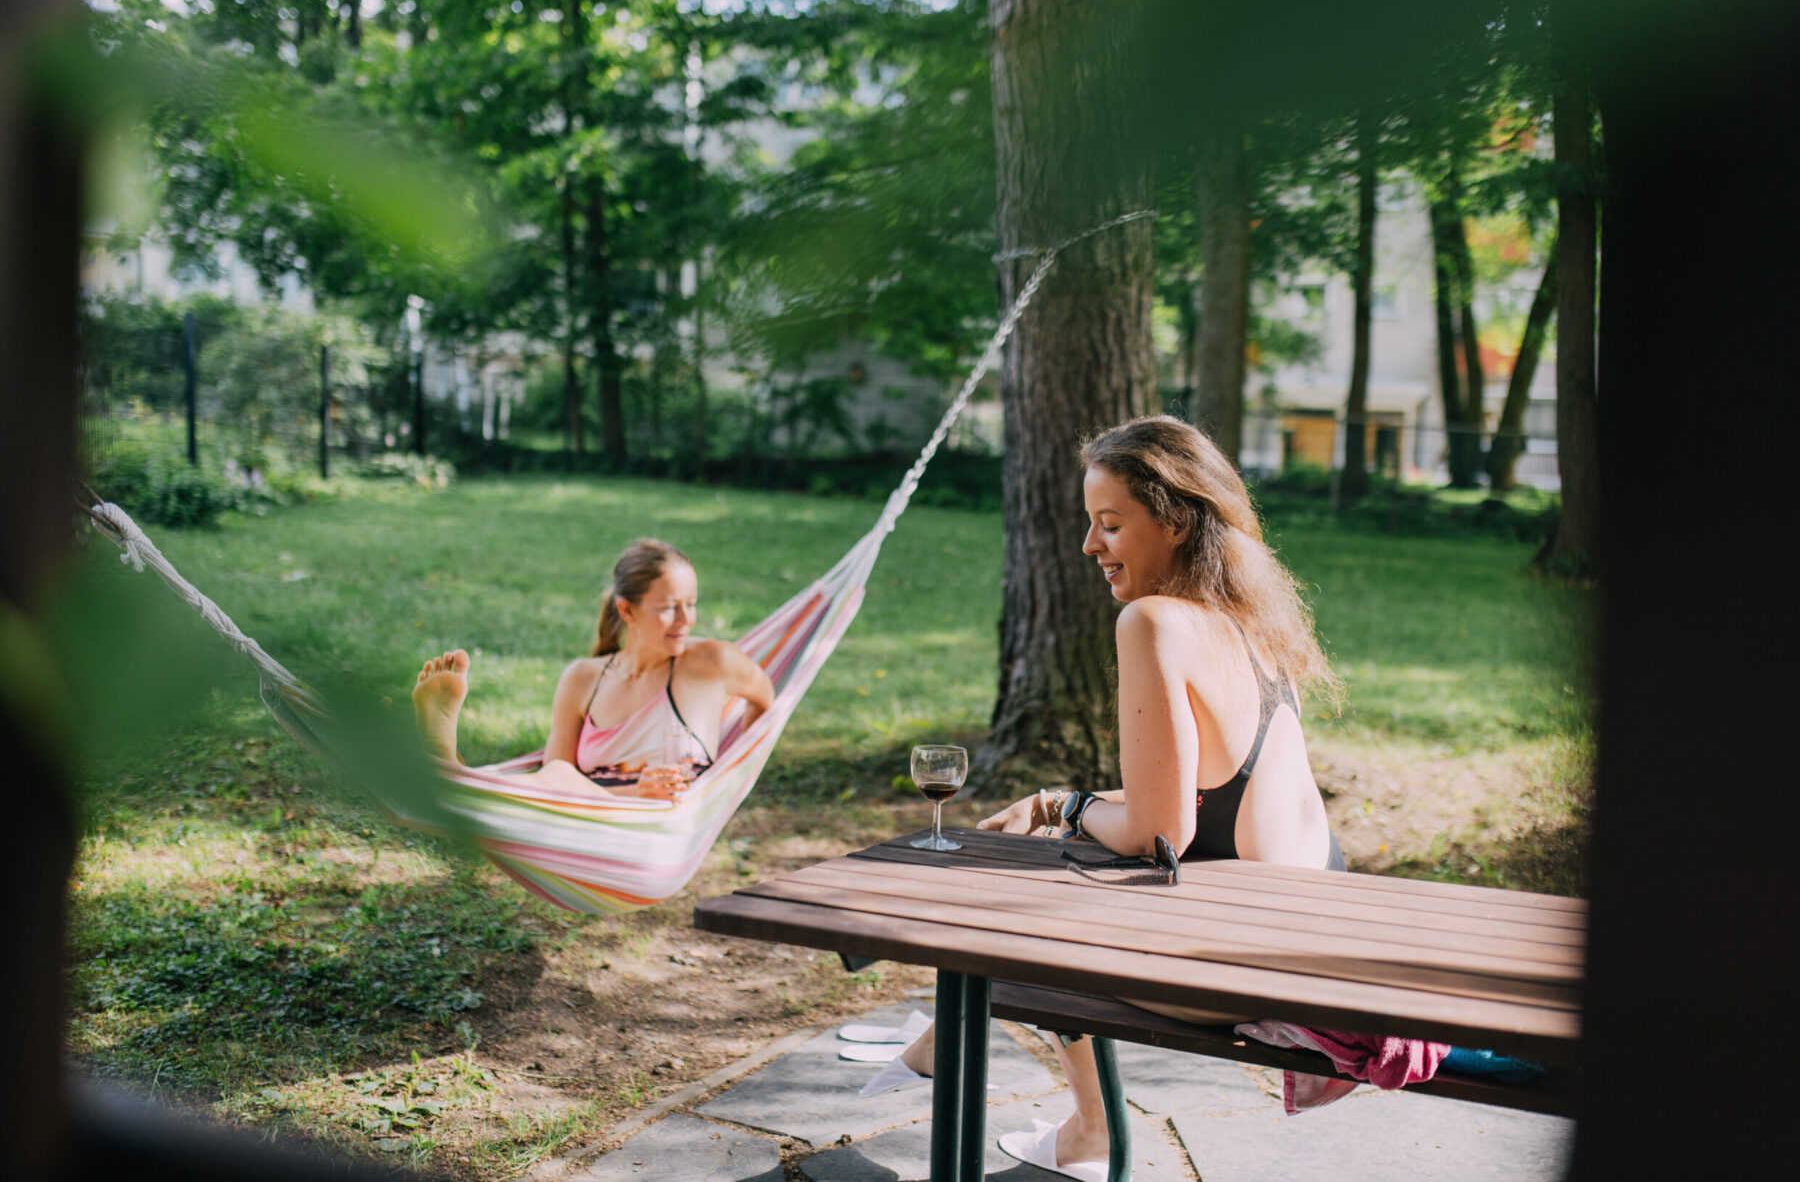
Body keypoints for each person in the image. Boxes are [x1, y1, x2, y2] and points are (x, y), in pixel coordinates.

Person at [882, 416, 1343, 1181]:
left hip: (1256, 964)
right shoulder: (1252, 624)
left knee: (1022, 934)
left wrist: (1065, 805)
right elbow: (1203, 797)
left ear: (1175, 520)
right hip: (1308, 924)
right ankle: (964, 1064)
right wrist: (1065, 803)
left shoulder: (1155, 621)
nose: (1090, 546)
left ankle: (1074, 1124)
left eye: (1110, 524)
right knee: (1061, 865)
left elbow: (1161, 829)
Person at [411, 538, 774, 800]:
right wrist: (631, 793)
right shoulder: (583, 677)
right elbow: (555, 780)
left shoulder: (712, 662)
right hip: (586, 819)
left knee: (557, 776)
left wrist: (730, 780)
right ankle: (454, 775)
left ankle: (455, 779)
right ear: (628, 611)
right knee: (556, 773)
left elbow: (766, 699)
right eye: (669, 608)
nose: (686, 621)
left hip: (665, 825)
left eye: (691, 604)